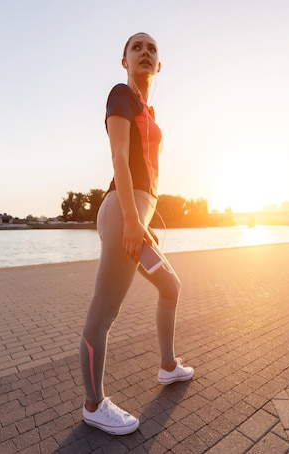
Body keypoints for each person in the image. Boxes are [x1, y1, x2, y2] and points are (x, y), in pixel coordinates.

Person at [79, 32, 194, 436]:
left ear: (159, 65)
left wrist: (144, 222)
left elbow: (151, 176)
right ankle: (94, 405)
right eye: (136, 48)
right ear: (124, 60)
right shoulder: (121, 95)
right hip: (121, 214)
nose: (145, 53)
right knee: (103, 314)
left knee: (170, 287)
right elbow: (119, 160)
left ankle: (167, 367)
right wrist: (131, 219)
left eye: (152, 49)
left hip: (136, 217)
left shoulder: (150, 111)